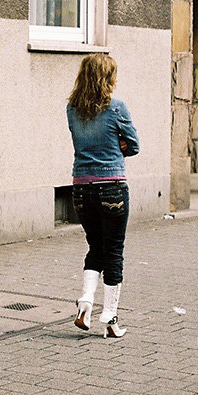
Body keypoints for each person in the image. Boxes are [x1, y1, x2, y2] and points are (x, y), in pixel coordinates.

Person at [66, 53, 139, 338]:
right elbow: (133, 146)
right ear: (107, 78)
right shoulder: (117, 108)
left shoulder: (72, 109)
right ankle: (110, 318)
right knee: (114, 251)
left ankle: (85, 303)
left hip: (81, 187)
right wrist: (116, 144)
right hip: (112, 187)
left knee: (95, 247)